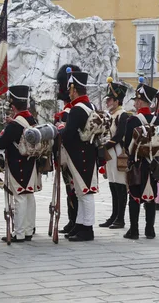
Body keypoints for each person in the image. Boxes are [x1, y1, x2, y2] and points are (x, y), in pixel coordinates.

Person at [0, 85, 41, 242]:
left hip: (18, 165)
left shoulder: (15, 125)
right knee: (29, 196)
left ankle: (19, 233)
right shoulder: (31, 119)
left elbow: (1, 143)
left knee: (20, 198)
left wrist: (8, 127)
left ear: (13, 105)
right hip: (31, 164)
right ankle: (29, 230)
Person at [59, 68, 99, 242]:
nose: (69, 93)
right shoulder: (92, 106)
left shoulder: (76, 110)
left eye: (70, 89)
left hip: (79, 155)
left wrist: (60, 130)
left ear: (74, 89)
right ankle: (81, 225)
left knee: (86, 192)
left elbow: (68, 134)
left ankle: (87, 228)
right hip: (88, 154)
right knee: (82, 192)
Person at [123, 81, 159, 240]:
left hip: (137, 164)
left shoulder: (132, 121)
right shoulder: (158, 120)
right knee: (150, 197)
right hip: (152, 164)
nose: (135, 103)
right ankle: (150, 230)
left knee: (134, 196)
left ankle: (134, 230)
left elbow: (126, 145)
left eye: (136, 100)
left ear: (140, 101)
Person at [53, 64, 81, 234]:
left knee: (73, 189)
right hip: (64, 155)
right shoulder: (67, 109)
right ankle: (72, 219)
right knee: (69, 189)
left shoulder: (71, 111)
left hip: (71, 154)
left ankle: (76, 220)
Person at [99, 78, 129, 227]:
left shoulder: (123, 115)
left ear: (117, 101)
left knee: (120, 185)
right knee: (112, 184)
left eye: (110, 99)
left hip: (118, 152)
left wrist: (105, 147)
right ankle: (114, 215)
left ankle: (120, 218)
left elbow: (119, 136)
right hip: (110, 152)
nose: (107, 102)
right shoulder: (110, 115)